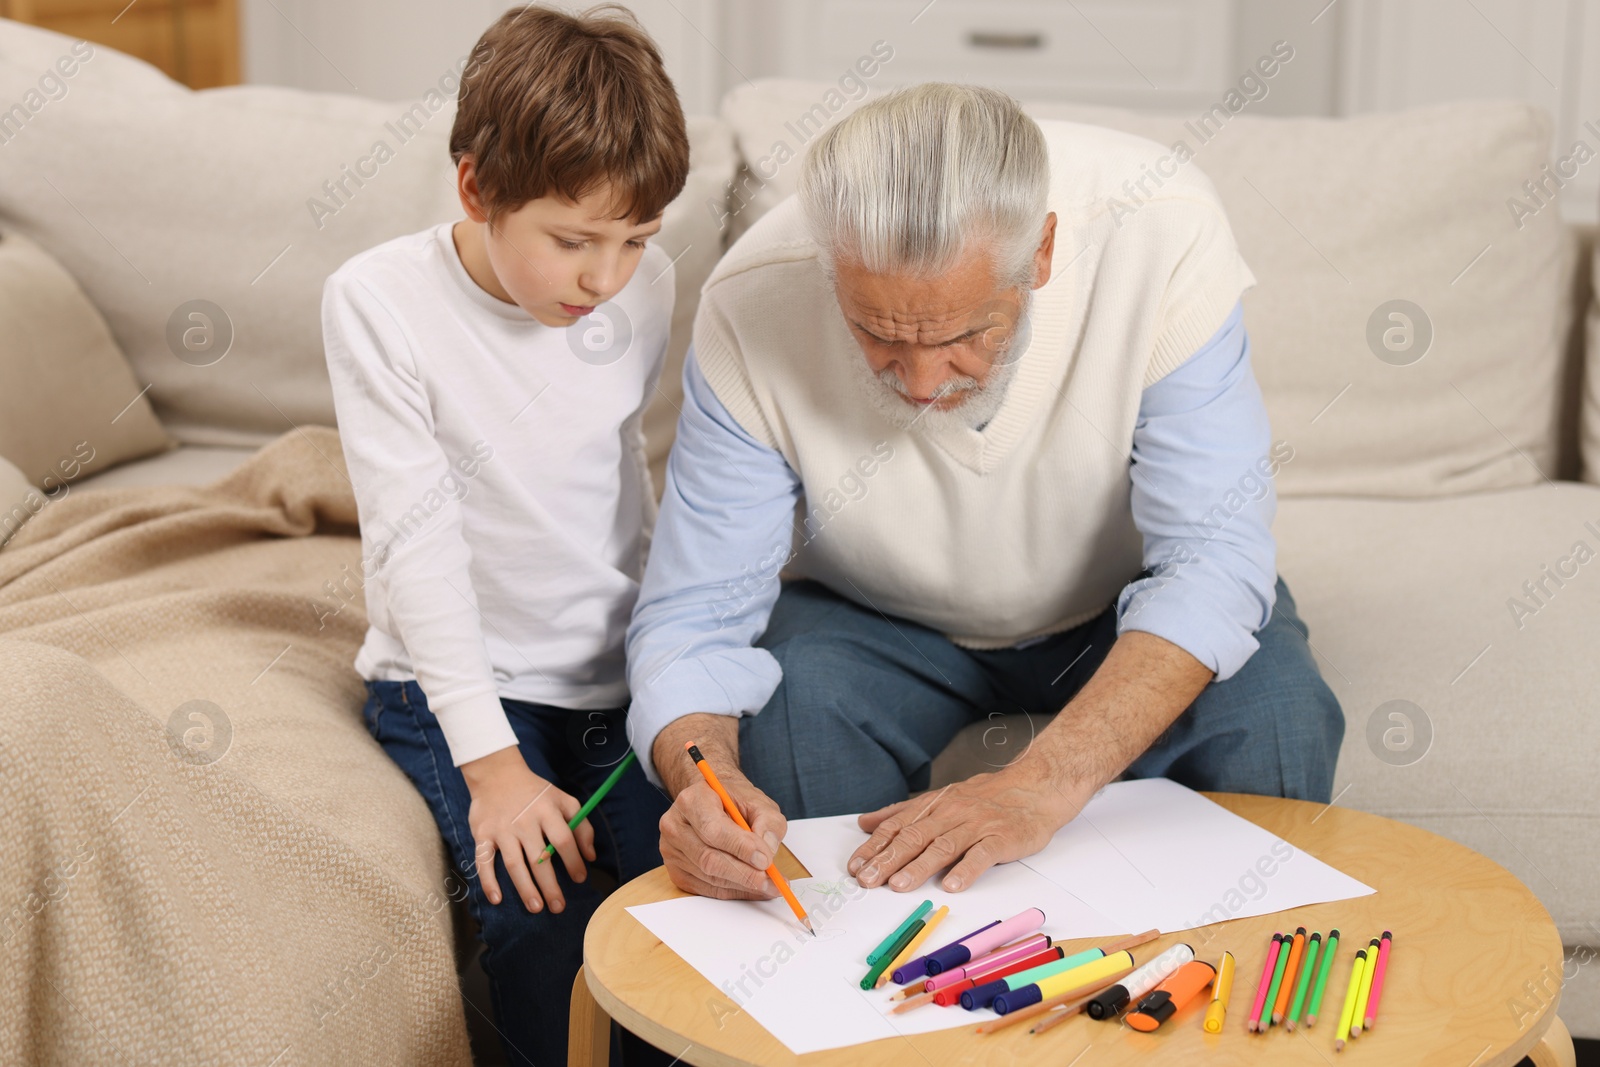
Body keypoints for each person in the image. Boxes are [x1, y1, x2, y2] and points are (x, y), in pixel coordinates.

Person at [627, 84, 1343, 906]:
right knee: (790, 729)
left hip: (1121, 600)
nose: (924, 382)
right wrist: (702, 782)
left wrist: (1041, 782)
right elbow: (695, 621)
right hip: (879, 620)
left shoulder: (1162, 225)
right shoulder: (751, 297)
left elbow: (1213, 561)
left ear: (1040, 253)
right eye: (880, 334)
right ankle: (869, 1016)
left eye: (969, 334)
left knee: (1281, 715)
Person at [320, 6, 686, 1063]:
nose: (605, 277)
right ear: (476, 187)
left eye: (634, 241)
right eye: (573, 241)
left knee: (679, 899)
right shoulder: (378, 302)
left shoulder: (643, 290)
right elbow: (412, 541)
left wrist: (662, 652)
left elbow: (625, 469)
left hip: (615, 674)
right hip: (459, 685)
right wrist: (493, 771)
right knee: (541, 915)